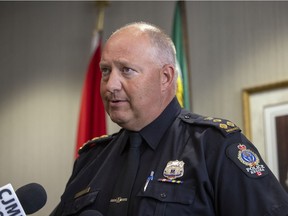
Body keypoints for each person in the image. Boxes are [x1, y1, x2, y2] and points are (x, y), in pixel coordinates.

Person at [51, 22, 288, 216]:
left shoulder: (214, 147)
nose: (110, 84)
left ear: (165, 77)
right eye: (105, 71)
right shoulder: (91, 159)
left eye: (126, 70)